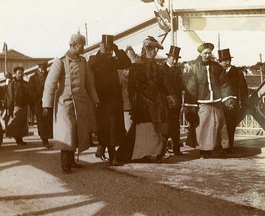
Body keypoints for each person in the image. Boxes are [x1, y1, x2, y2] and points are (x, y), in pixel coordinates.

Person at [42, 33, 99, 174]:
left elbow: (89, 83)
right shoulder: (60, 61)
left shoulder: (83, 62)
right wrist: (46, 105)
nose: (83, 48)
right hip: (64, 103)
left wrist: (95, 100)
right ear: (73, 45)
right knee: (67, 132)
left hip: (80, 102)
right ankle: (65, 163)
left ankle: (72, 161)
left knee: (77, 131)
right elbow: (50, 84)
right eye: (82, 45)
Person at [128, 36, 177, 162]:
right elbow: (131, 86)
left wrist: (171, 95)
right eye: (151, 48)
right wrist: (133, 104)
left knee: (159, 128)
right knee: (146, 129)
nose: (154, 52)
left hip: (156, 102)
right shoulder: (138, 64)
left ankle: (151, 153)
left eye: (155, 49)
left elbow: (163, 83)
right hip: (143, 103)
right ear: (145, 49)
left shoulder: (156, 65)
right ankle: (143, 154)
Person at [88, 34, 131, 166]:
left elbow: (127, 62)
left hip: (114, 100)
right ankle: (109, 155)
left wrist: (117, 49)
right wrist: (100, 52)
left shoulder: (113, 60)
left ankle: (109, 155)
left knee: (112, 129)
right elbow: (91, 64)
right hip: (101, 100)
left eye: (110, 49)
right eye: (106, 48)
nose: (108, 51)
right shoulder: (95, 59)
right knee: (105, 128)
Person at [184, 42, 232, 158]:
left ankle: (219, 147)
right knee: (204, 127)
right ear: (200, 54)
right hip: (203, 103)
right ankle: (204, 150)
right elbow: (191, 87)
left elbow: (224, 84)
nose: (207, 55)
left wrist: (227, 98)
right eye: (205, 53)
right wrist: (191, 105)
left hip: (216, 102)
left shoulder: (217, 67)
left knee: (217, 126)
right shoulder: (195, 68)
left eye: (209, 53)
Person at [218, 48, 248, 153]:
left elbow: (243, 88)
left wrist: (243, 103)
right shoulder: (218, 71)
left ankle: (229, 146)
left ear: (227, 61)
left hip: (232, 102)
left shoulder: (237, 72)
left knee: (230, 125)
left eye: (221, 61)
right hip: (220, 102)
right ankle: (221, 146)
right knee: (221, 124)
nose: (220, 63)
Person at [162, 45, 184, 156]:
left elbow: (180, 85)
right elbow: (165, 84)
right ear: (168, 57)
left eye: (176, 58)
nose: (175, 60)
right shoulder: (163, 69)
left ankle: (176, 149)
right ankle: (162, 148)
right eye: (173, 58)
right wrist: (172, 95)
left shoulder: (177, 69)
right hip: (167, 101)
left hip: (177, 101)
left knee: (175, 124)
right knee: (167, 124)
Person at [29, 62, 53, 148]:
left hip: (48, 101)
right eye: (42, 68)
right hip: (38, 102)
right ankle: (44, 140)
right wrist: (37, 98)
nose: (43, 70)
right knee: (41, 121)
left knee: (48, 120)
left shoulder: (49, 76)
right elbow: (31, 91)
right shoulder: (32, 78)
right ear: (38, 67)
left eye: (45, 68)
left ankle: (46, 138)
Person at [4, 66, 29, 145]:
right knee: (16, 123)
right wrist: (10, 109)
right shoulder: (12, 84)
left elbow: (28, 94)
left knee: (22, 123)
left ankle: (20, 138)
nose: (20, 74)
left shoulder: (25, 83)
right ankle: (18, 139)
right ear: (15, 74)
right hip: (16, 106)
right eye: (19, 73)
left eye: (21, 73)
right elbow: (10, 97)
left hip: (24, 106)